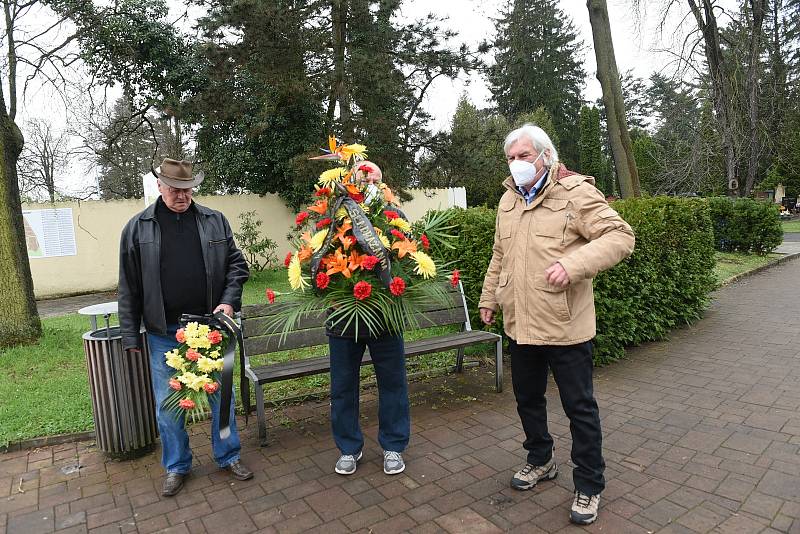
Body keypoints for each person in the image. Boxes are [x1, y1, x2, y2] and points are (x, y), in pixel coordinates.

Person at [478, 125, 635, 525]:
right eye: (511, 158)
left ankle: (589, 484)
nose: (517, 164)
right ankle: (540, 460)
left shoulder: (576, 193)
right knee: (527, 399)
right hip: (520, 324)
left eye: (524, 156)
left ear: (546, 156)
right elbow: (500, 255)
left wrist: (573, 264)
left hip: (565, 325)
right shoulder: (508, 201)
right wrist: (489, 298)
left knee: (579, 408)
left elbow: (620, 236)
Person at [119, 158, 253, 497]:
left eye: (187, 188)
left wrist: (228, 301)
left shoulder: (214, 221)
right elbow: (129, 287)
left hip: (212, 329)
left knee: (223, 398)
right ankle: (177, 466)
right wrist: (130, 335)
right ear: (160, 187)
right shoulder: (137, 228)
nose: (182, 195)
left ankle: (228, 454)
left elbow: (237, 266)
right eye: (176, 189)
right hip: (165, 333)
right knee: (169, 405)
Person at [326, 161, 410, 477]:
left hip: (384, 315)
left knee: (393, 383)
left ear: (382, 180)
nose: (367, 177)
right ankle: (349, 448)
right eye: (361, 174)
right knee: (343, 387)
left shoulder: (394, 215)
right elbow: (320, 257)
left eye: (373, 173)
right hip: (344, 316)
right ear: (351, 180)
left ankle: (393, 446)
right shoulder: (335, 215)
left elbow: (406, 257)